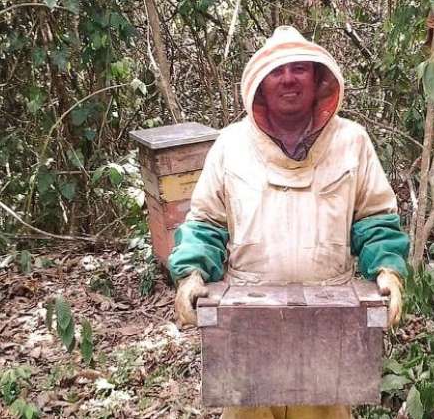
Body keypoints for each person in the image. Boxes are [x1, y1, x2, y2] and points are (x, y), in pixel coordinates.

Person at [168, 26, 409, 419]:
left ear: (318, 80)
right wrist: (191, 273)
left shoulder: (353, 141)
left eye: (300, 68)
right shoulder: (230, 145)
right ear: (260, 85)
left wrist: (388, 270)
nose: (288, 79)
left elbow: (375, 217)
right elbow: (207, 222)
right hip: (247, 321)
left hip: (330, 319)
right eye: (278, 71)